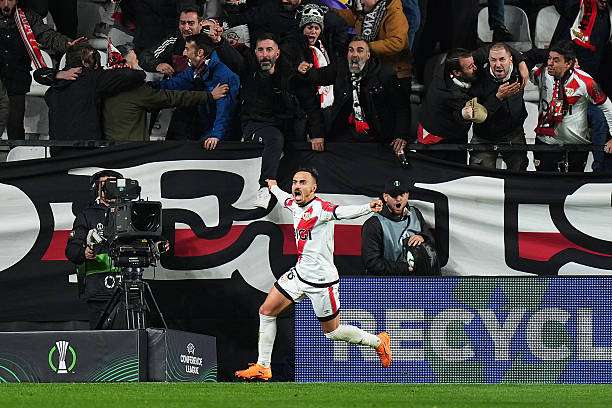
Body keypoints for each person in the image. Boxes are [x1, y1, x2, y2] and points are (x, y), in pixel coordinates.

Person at [235, 168, 392, 381]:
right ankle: (263, 366)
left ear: (313, 188)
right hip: (299, 275)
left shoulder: (321, 208)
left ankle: (378, 341)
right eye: (295, 182)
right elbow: (283, 199)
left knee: (333, 333)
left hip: (322, 283)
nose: (297, 186)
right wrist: (273, 187)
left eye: (302, 182)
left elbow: (342, 212)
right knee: (266, 311)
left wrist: (368, 207)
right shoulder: (294, 203)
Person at [239, 33, 324, 208]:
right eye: (260, 50)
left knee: (294, 146)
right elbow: (231, 59)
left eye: (269, 50)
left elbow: (310, 104)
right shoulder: (248, 71)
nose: (264, 54)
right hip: (256, 125)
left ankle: (295, 197)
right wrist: (220, 42)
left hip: (285, 127)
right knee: (275, 138)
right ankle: (264, 187)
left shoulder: (291, 76)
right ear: (255, 53)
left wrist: (316, 133)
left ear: (277, 54)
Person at [298, 36, 409, 154]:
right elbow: (317, 76)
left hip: (378, 135)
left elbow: (402, 107)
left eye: (360, 50)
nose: (354, 54)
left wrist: (400, 135)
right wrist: (305, 72)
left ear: (368, 55)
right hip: (345, 132)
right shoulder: (341, 68)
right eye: (351, 50)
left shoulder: (384, 74)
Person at [0, 0, 85, 140]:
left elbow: (46, 34)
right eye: (3, 0)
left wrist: (66, 43)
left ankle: (17, 156)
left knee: (15, 122)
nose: (7, 5)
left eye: (11, 0)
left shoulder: (27, 15)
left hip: (16, 76)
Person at [103, 49, 230, 142]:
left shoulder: (102, 87)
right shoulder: (135, 91)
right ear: (128, 65)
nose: (138, 66)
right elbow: (172, 98)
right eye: (136, 62)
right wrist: (209, 96)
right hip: (132, 152)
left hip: (109, 149)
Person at [33, 44, 146, 144]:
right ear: (85, 63)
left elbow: (38, 74)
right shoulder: (92, 79)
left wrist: (58, 74)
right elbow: (132, 75)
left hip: (57, 149)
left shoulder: (56, 83)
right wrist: (131, 64)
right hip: (85, 150)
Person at [531, 41, 612, 172]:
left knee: (573, 190)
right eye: (549, 59)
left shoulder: (585, 81)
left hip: (576, 146)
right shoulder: (542, 73)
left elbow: (608, 107)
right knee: (545, 188)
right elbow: (522, 65)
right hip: (545, 143)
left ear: (568, 63)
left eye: (556, 60)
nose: (550, 63)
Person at [152, 33, 239, 148]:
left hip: (223, 133)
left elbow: (225, 110)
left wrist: (216, 135)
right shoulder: (194, 69)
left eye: (187, 49)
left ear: (200, 53)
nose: (184, 53)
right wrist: (149, 86)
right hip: (206, 126)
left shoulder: (222, 74)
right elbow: (174, 83)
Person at [65, 170, 124, 329]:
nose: (107, 187)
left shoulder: (130, 212)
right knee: (101, 341)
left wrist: (158, 245)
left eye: (112, 183)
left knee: (132, 338)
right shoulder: (87, 215)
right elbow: (71, 249)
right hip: (99, 291)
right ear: (96, 188)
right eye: (103, 184)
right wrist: (83, 252)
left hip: (129, 287)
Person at [224, 0, 348, 64]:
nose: (284, 1)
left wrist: (336, 53)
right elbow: (245, 18)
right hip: (281, 63)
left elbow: (340, 25)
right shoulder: (270, 8)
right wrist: (218, 23)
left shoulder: (314, 8)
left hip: (312, 62)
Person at [469, 42, 528, 171]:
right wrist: (498, 97)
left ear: (511, 59)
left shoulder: (520, 70)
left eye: (502, 59)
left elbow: (542, 53)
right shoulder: (477, 77)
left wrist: (522, 62)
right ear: (488, 60)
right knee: (479, 179)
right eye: (493, 60)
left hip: (514, 134)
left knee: (520, 177)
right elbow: (478, 115)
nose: (498, 64)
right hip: (484, 137)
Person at [361, 179, 437, 275]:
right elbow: (372, 263)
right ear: (385, 197)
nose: (399, 199)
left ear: (407, 195)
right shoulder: (373, 224)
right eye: (394, 195)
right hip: (387, 284)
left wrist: (423, 237)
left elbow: (430, 240)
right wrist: (406, 268)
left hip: (417, 280)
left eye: (402, 194)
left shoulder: (415, 213)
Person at [139, 7, 243, 77]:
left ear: (200, 24)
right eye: (182, 23)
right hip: (180, 94)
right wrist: (157, 65)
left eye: (191, 23)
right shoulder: (174, 40)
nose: (186, 27)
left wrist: (219, 42)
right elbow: (145, 56)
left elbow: (238, 65)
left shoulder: (212, 38)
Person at [417, 48, 479, 164]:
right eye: (470, 67)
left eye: (473, 63)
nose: (476, 68)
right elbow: (480, 114)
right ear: (457, 73)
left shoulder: (445, 64)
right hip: (439, 141)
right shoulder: (452, 95)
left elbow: (484, 52)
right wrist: (498, 97)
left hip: (450, 131)